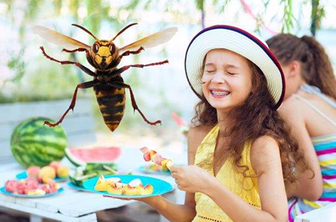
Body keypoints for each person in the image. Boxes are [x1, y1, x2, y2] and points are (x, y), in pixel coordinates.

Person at [108, 25, 310, 222]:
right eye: (210, 70)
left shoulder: (261, 145)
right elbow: (192, 214)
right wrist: (151, 199)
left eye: (231, 73)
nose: (217, 79)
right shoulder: (198, 135)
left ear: (255, 84)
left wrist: (209, 186)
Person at [267, 33, 336, 221]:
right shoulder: (327, 99)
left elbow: (313, 190)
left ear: (293, 68)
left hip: (317, 211)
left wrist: (265, 181)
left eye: (269, 71)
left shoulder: (290, 108)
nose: (263, 80)